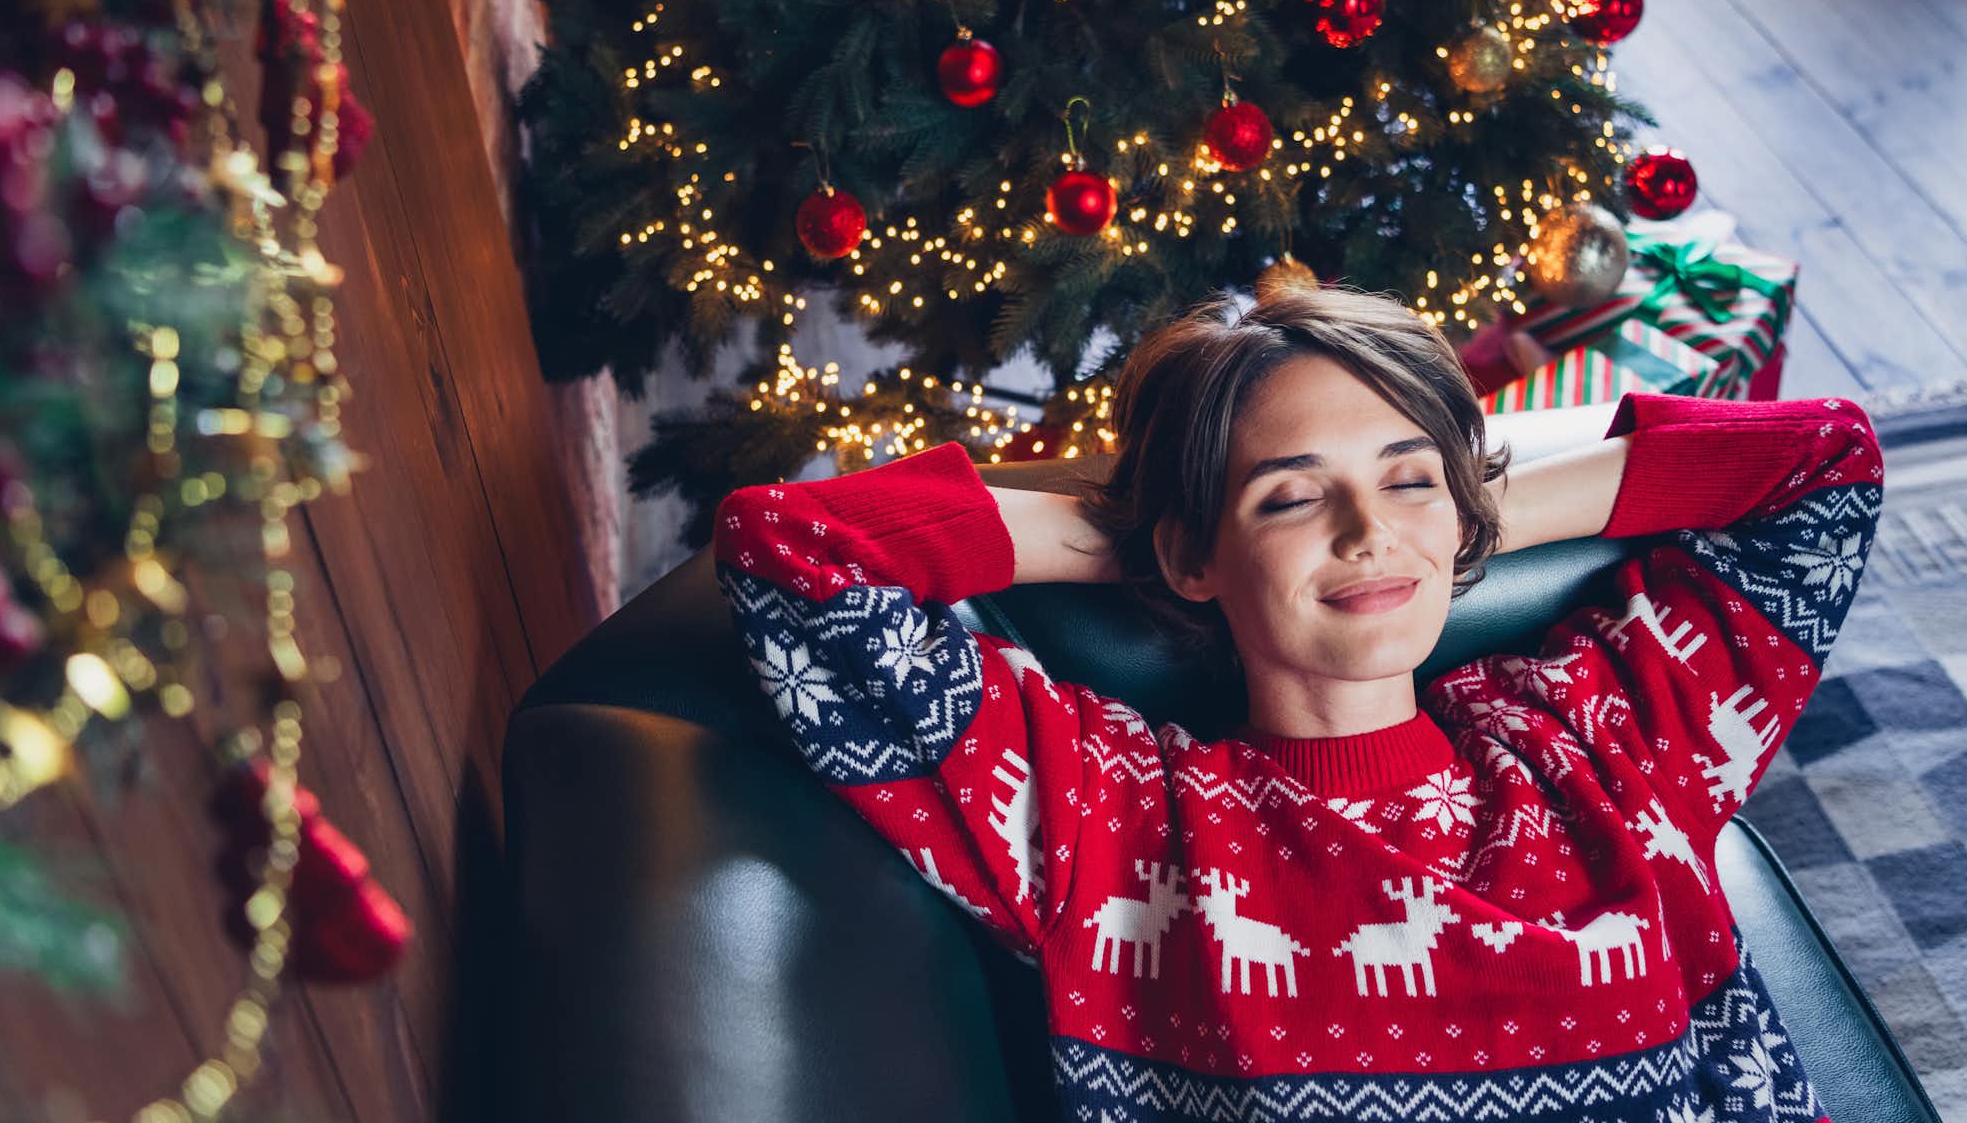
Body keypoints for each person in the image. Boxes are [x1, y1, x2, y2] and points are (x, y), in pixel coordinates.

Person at [712, 282, 1884, 1123]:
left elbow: (1822, 464)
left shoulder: (1598, 739)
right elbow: (790, 551)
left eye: (1404, 476)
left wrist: (1460, 518)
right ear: (1191, 558)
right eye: (1290, 499)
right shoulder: (1110, 818)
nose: (1367, 531)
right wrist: (1150, 536)